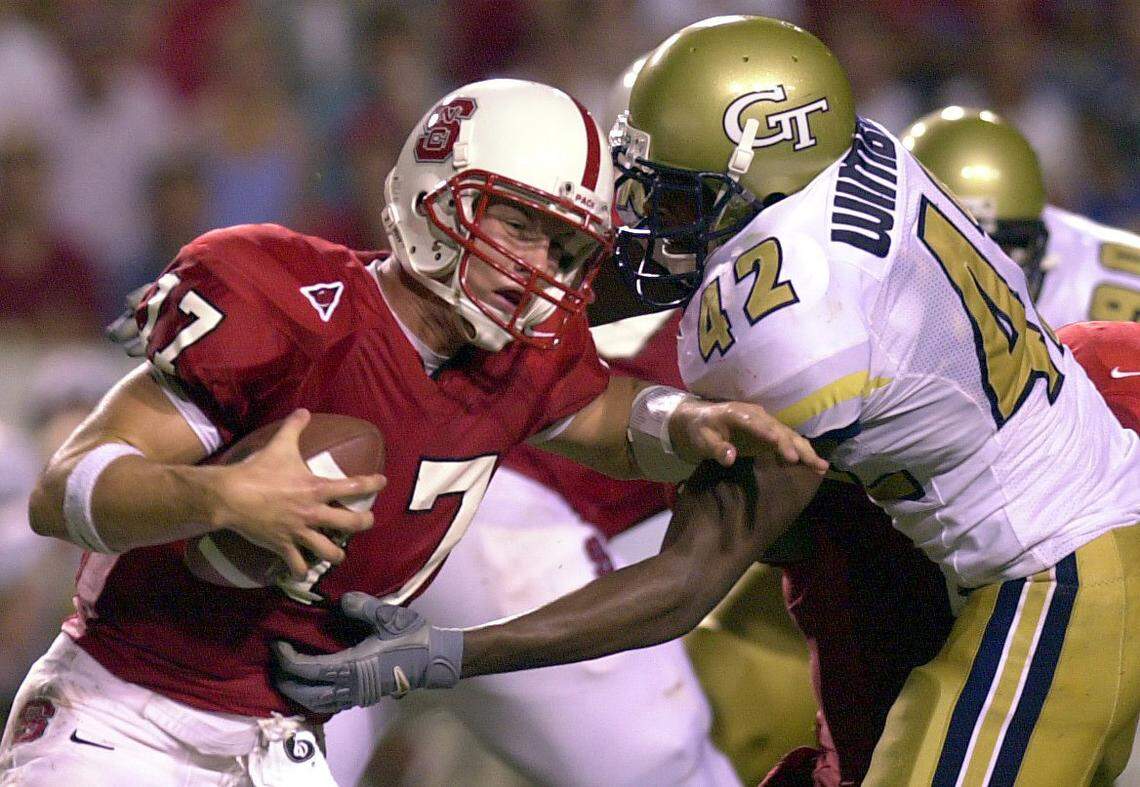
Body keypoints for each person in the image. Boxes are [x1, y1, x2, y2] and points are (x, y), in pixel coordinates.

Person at [273, 18, 1140, 787]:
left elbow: (684, 584)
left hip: (1054, 572)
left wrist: (453, 654)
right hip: (1037, 546)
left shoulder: (793, 324)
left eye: (676, 196)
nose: (646, 218)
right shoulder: (853, 154)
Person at [0, 77, 822, 786]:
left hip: (280, 741)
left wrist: (685, 418)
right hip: (125, 718)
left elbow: (596, 412)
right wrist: (223, 496)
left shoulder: (524, 356)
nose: (542, 267)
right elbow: (60, 489)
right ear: (441, 190)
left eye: (570, 248)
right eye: (522, 225)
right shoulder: (290, 302)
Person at [901, 106, 1140, 327]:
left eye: (1001, 248)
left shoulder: (1106, 286)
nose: (979, 274)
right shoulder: (871, 278)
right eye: (951, 249)